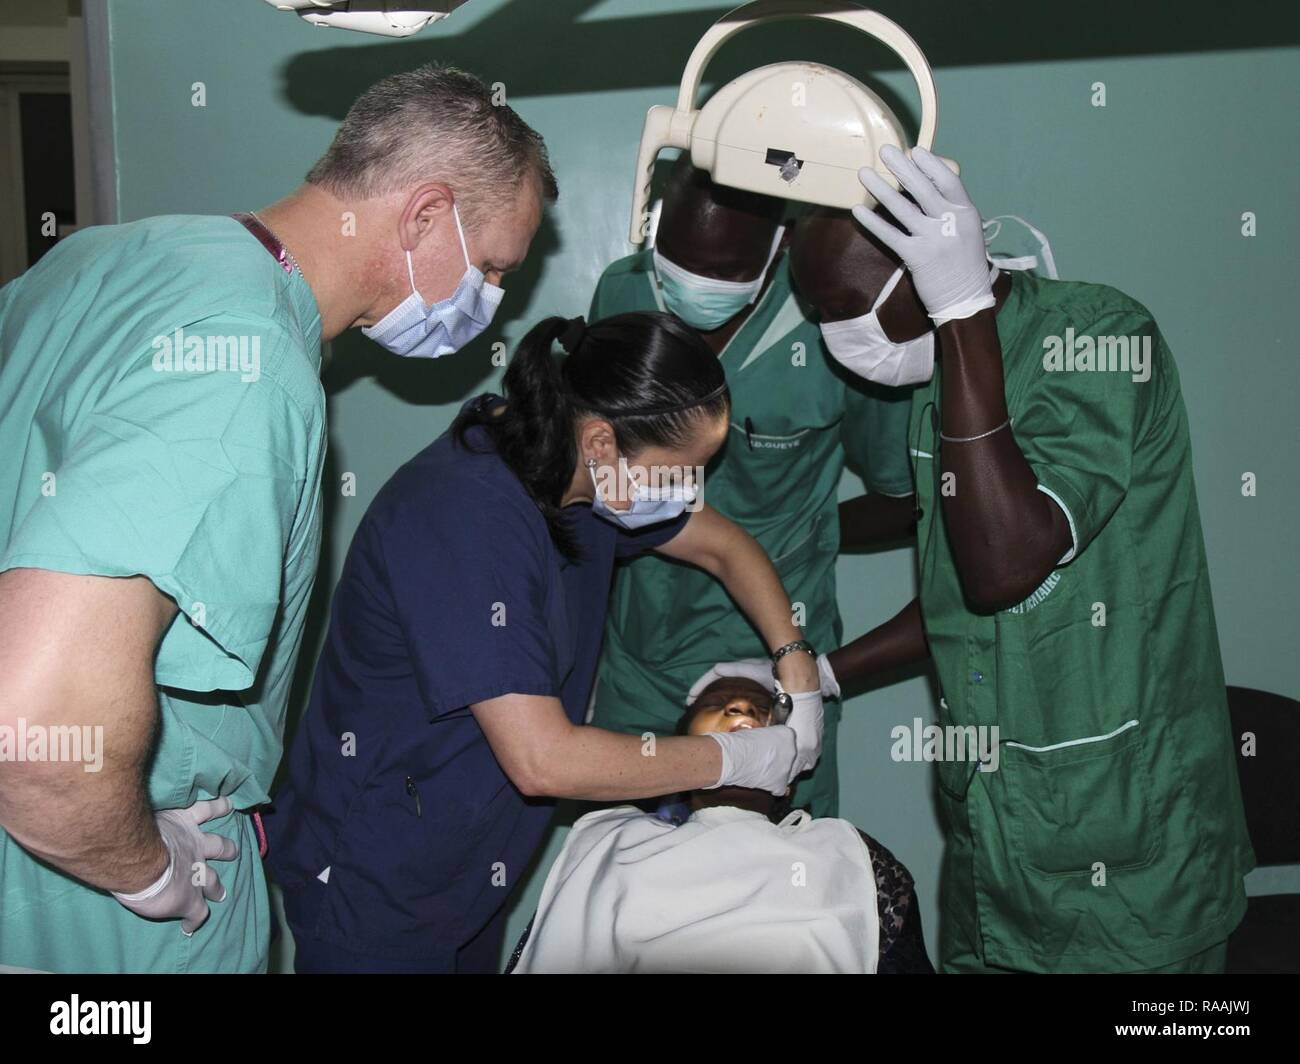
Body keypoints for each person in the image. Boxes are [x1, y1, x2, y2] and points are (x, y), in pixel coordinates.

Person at [0, 63, 554, 973]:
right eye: (492, 268)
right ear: (424, 215)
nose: (490, 299)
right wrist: (147, 873)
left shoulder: (111, 255)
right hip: (99, 918)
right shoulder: (243, 365)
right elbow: (36, 733)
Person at [773, 144, 1253, 973]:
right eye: (815, 315)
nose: (830, 338)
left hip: (1127, 855)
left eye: (839, 308)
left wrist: (961, 313)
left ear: (921, 271)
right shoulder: (937, 388)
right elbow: (963, 603)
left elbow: (1005, 566)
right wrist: (825, 673)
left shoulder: (1102, 339)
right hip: (996, 850)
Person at [265, 312, 826, 973]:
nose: (686, 494)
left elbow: (727, 549)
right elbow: (545, 762)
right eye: (677, 474)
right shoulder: (465, 517)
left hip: (470, 865)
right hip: (375, 872)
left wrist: (799, 671)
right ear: (600, 440)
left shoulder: (577, 483)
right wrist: (732, 760)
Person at [588, 156, 916, 819]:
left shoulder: (838, 323)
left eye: (726, 270)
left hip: (776, 664)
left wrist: (811, 531)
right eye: (677, 261)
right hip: (642, 654)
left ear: (783, 243)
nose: (694, 288)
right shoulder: (622, 295)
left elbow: (907, 493)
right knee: (624, 871)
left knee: (785, 880)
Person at [508, 676, 933, 974]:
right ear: (676, 749)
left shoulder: (849, 855)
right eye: (715, 705)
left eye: (763, 709)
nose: (740, 707)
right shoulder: (613, 840)